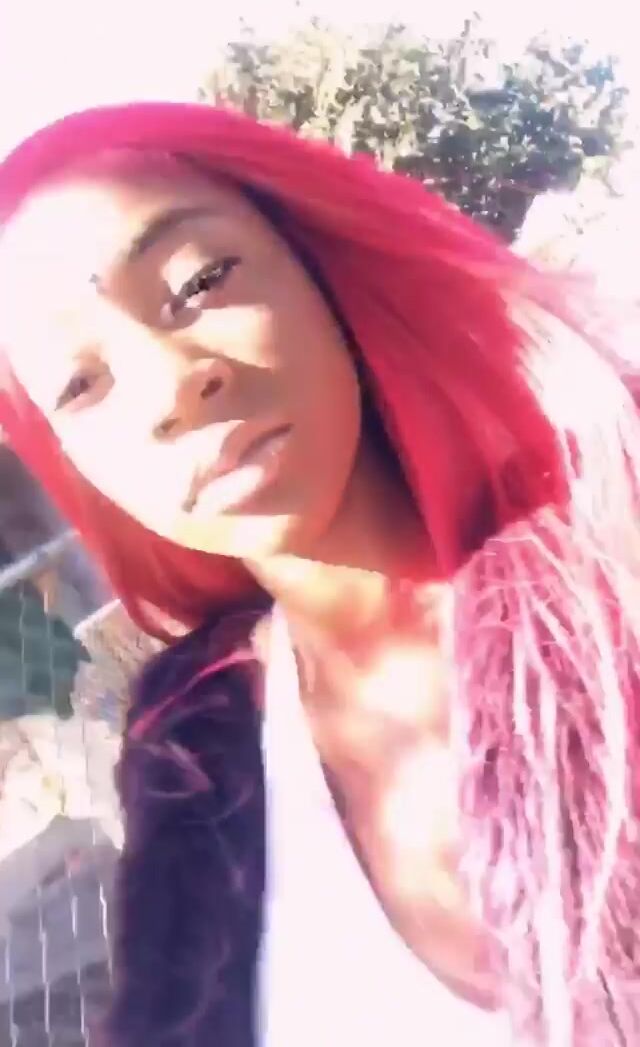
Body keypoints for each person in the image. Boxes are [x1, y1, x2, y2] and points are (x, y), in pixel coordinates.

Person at [0, 102, 638, 1047]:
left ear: (315, 266)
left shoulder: (616, 555)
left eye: (200, 280)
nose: (173, 384)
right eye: (80, 384)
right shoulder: (187, 754)